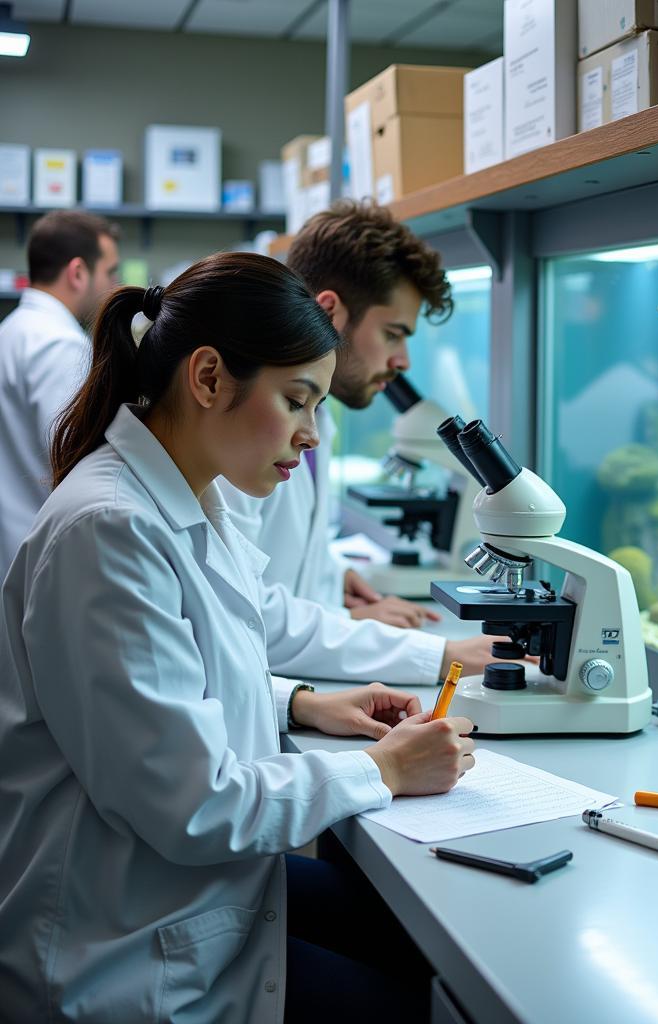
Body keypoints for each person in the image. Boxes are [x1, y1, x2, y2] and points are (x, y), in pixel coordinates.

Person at [0, 252, 475, 1023]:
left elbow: (181, 672)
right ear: (210, 377)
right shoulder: (110, 529)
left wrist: (298, 703)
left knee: (405, 942)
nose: (312, 434)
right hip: (126, 955)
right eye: (296, 401)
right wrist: (381, 772)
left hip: (188, 902)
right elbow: (195, 804)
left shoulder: (187, 502)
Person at [221, 201, 507, 682]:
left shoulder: (318, 416)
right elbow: (242, 612)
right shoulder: (241, 429)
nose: (403, 362)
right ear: (330, 312)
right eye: (393, 334)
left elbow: (273, 562)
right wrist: (440, 656)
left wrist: (335, 585)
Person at [0, 209, 120, 575]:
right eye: (110, 272)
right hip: (43, 558)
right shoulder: (58, 344)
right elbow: (74, 460)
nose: (114, 286)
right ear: (78, 272)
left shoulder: (12, 330)